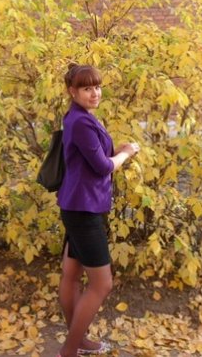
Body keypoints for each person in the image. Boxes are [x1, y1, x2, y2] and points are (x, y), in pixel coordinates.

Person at [56, 64, 140, 357]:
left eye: (97, 87)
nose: (94, 93)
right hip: (84, 210)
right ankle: (69, 350)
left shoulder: (79, 117)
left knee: (71, 274)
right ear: (73, 91)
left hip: (77, 205)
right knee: (102, 284)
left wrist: (115, 152)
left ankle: (77, 341)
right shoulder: (80, 122)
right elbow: (103, 167)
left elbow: (92, 159)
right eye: (87, 88)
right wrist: (126, 153)